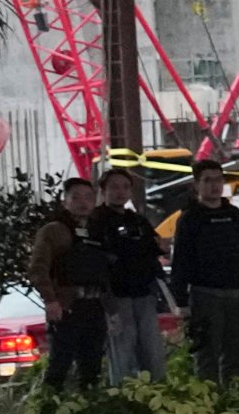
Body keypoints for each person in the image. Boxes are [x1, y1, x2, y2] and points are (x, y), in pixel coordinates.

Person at [171, 153, 239, 379]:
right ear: (197, 185)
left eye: (218, 180)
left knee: (238, 355)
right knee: (207, 356)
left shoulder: (234, 215)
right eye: (207, 180)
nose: (214, 186)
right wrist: (181, 302)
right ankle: (210, 406)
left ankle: (234, 403)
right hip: (206, 295)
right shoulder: (190, 218)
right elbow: (181, 261)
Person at [89, 165, 170, 383]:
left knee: (152, 348)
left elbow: (157, 246)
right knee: (122, 349)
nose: (120, 192)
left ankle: (159, 395)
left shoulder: (137, 220)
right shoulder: (96, 220)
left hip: (144, 292)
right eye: (114, 187)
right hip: (116, 296)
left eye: (125, 187)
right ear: (103, 190)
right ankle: (122, 397)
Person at [29, 177, 108, 393]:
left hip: (95, 306)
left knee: (92, 366)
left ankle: (89, 409)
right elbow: (38, 268)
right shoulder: (53, 231)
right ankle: (48, 413)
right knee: (60, 364)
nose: (83, 202)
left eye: (88, 197)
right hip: (67, 306)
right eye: (76, 197)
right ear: (65, 202)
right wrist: (51, 300)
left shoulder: (97, 231)